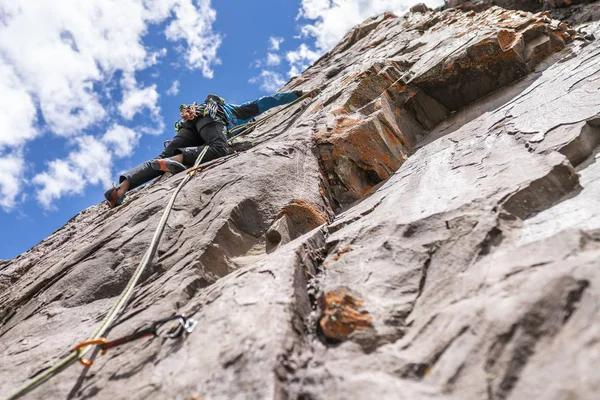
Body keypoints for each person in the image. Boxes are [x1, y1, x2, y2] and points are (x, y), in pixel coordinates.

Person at [104, 90, 309, 208]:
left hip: (188, 127)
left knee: (159, 159)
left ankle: (121, 188)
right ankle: (176, 160)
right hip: (210, 118)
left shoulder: (198, 112)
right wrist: (298, 94)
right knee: (220, 149)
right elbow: (266, 102)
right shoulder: (235, 110)